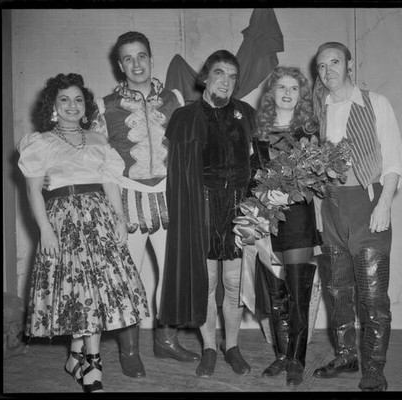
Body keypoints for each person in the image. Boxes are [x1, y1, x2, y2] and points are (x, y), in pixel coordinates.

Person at [18, 73, 150, 393]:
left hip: (99, 221)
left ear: (86, 105)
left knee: (97, 290)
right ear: (53, 105)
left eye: (78, 99)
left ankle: (83, 358)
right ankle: (87, 362)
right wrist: (45, 231)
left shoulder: (98, 140)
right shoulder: (40, 142)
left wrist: (120, 219)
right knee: (78, 292)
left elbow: (110, 183)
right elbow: (34, 192)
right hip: (64, 223)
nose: (72, 106)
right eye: (64, 99)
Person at [92, 31, 199, 378]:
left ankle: (165, 341)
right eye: (128, 58)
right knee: (128, 277)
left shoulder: (175, 98)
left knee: (172, 274)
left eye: (141, 56)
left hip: (169, 198)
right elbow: (96, 159)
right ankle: (130, 349)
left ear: (151, 58)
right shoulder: (103, 106)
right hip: (125, 199)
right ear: (119, 64)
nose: (136, 64)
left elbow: (188, 149)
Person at [312, 42, 402, 391]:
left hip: (368, 203)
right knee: (337, 291)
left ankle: (375, 370)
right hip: (332, 207)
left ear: (349, 64)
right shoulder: (318, 110)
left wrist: (385, 204)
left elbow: (393, 159)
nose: (328, 71)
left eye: (334, 62)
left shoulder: (375, 102)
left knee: (373, 297)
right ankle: (347, 356)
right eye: (321, 66)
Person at [159, 50, 256, 377]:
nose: (225, 81)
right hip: (201, 209)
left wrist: (257, 210)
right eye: (219, 73)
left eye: (231, 76)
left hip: (239, 210)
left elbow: (259, 167)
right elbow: (178, 175)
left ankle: (232, 347)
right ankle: (210, 348)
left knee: (233, 285)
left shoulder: (246, 113)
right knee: (207, 283)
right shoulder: (185, 117)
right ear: (205, 77)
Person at [251, 66, 320, 386]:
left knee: (298, 292)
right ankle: (281, 354)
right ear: (272, 93)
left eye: (294, 88)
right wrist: (264, 194)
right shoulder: (258, 131)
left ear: (301, 95)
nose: (288, 93)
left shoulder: (308, 130)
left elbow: (316, 178)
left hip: (298, 219)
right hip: (267, 218)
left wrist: (289, 191)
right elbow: (251, 175)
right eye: (282, 87)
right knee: (276, 293)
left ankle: (297, 357)